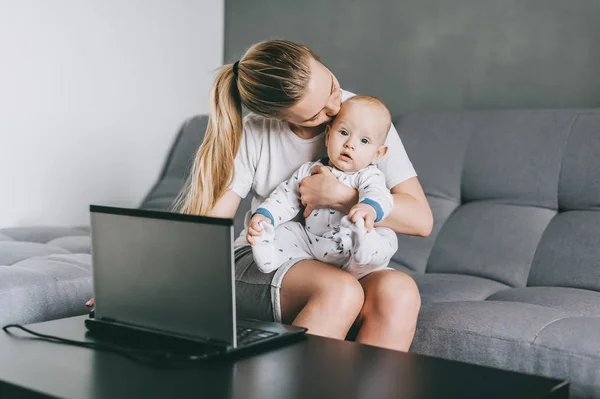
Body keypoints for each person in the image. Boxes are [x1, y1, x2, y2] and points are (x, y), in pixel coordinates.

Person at [88, 40, 433, 352]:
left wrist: (341, 197)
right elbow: (212, 222)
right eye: (318, 114)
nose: (336, 104)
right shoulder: (255, 132)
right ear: (276, 117)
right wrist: (138, 285)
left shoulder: (361, 117)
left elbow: (421, 220)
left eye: (331, 84)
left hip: (341, 256)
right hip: (270, 256)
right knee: (340, 291)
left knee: (399, 293)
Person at [247, 95, 398, 281]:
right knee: (288, 230)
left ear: (378, 153)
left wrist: (368, 208)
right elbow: (286, 196)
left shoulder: (369, 176)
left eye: (364, 141)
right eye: (343, 132)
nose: (350, 144)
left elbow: (379, 195)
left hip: (354, 248)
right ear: (327, 136)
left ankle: (363, 245)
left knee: (388, 238)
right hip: (315, 243)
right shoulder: (311, 171)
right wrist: (265, 216)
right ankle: (268, 253)